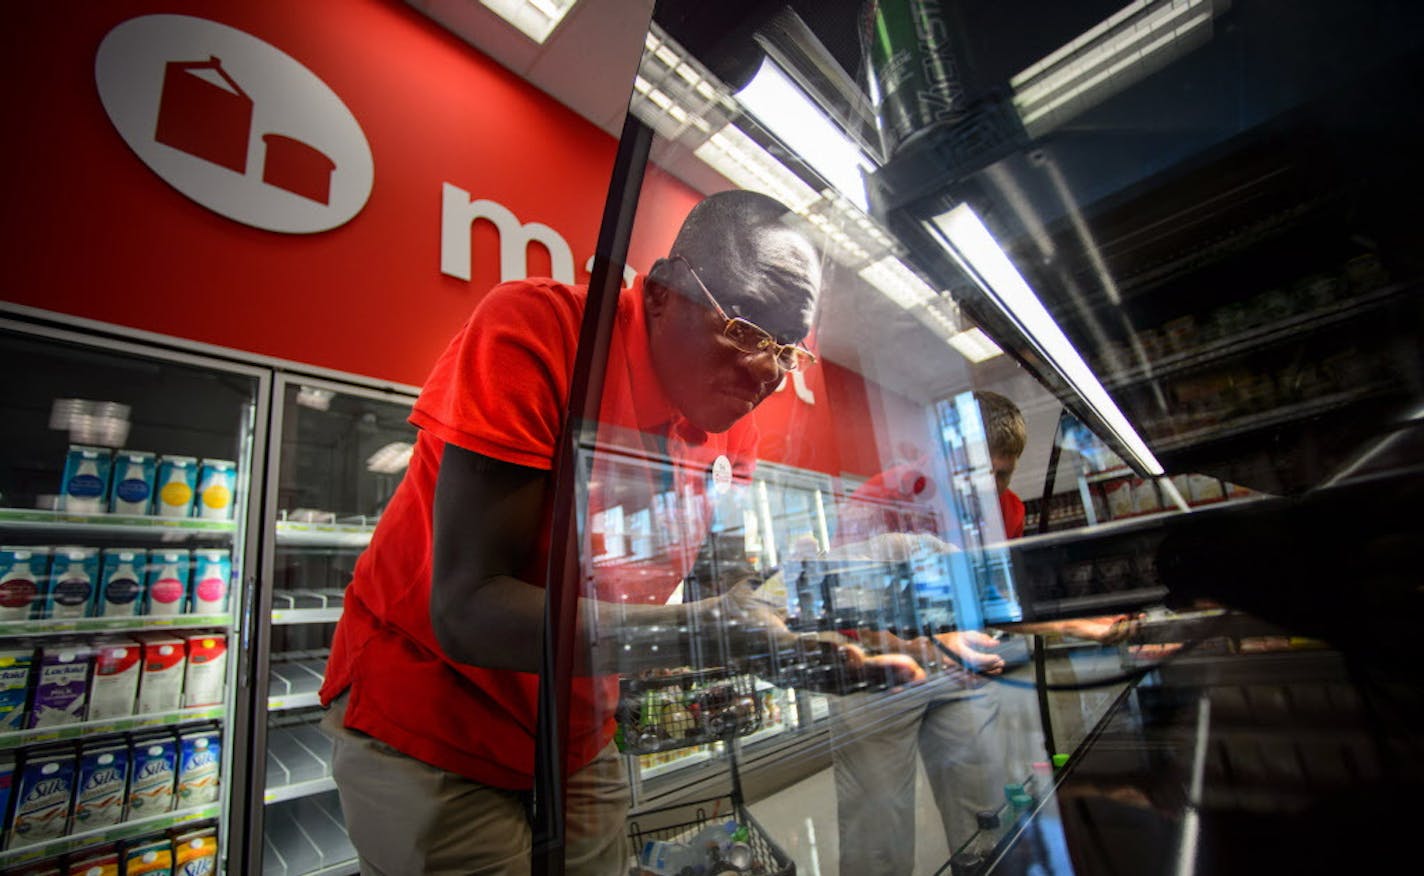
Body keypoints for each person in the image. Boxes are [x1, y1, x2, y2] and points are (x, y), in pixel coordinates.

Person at [317, 189, 920, 876]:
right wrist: (716, 634)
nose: (766, 372)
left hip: (577, 730)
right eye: (747, 329)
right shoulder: (542, 331)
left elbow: (717, 580)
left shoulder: (731, 423)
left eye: (788, 349)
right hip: (433, 717)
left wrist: (817, 613)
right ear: (661, 292)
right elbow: (467, 609)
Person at [827, 390, 1129, 876]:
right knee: (877, 828)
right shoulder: (881, 498)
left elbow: (992, 601)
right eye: (974, 474)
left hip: (962, 666)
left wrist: (1074, 626)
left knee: (985, 814)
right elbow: (846, 613)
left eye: (1002, 475)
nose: (987, 491)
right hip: (877, 672)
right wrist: (930, 645)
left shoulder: (1008, 510)